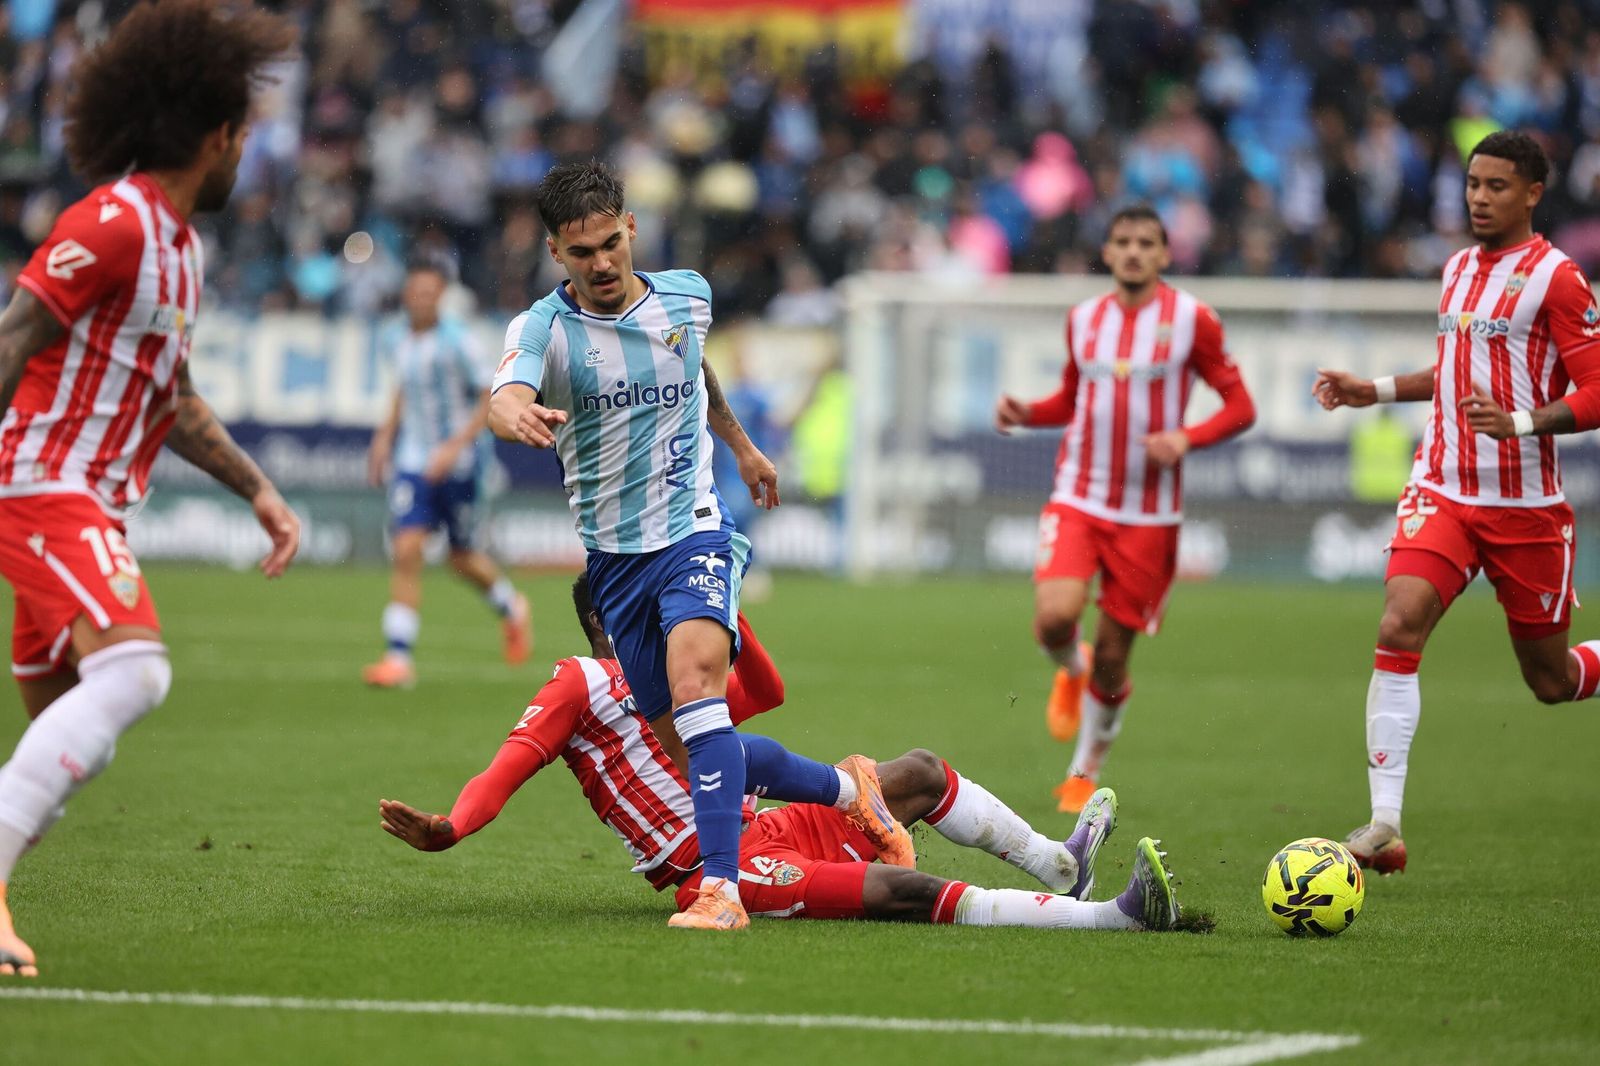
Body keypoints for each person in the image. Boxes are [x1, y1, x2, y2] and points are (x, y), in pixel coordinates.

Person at [488, 161, 913, 930]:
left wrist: (742, 449)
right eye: (582, 253)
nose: (603, 263)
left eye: (611, 243)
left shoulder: (688, 294)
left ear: (631, 229)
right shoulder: (543, 329)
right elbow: (507, 392)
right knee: (691, 752)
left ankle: (723, 891)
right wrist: (513, 414)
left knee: (697, 694)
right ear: (557, 252)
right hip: (616, 564)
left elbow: (694, 367)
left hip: (695, 531)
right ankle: (854, 792)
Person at [0, 0, 301, 977]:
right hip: (46, 486)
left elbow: (169, 397)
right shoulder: (114, 221)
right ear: (215, 136)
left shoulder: (181, 247)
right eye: (243, 138)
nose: (245, 156)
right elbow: (15, 334)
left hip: (90, 502)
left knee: (69, 726)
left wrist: (256, 489)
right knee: (136, 672)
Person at [379, 576, 1182, 932]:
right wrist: (452, 827)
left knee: (922, 772)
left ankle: (1057, 864)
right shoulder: (581, 684)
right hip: (716, 869)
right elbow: (504, 769)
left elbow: (763, 691)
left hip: (775, 825)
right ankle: (1107, 921)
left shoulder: (686, 666)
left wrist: (719, 606)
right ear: (611, 615)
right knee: (905, 887)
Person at [1313, 131, 1600, 875]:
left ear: (1532, 193)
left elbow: (1596, 388)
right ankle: (1382, 823)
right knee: (1399, 622)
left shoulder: (1559, 280)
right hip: (1441, 486)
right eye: (1473, 183)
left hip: (1524, 504)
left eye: (1496, 186)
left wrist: (1524, 421)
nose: (1478, 196)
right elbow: (1453, 371)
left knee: (1550, 680)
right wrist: (1367, 390)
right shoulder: (1457, 269)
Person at [995, 204, 1256, 813]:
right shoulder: (1084, 318)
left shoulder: (1193, 320)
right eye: (1122, 242)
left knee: (1115, 655)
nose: (1134, 252)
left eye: (1146, 243)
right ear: (1107, 253)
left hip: (1150, 515)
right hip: (1079, 494)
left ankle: (1083, 771)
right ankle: (1068, 666)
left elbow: (1240, 406)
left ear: (1165, 254)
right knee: (1055, 618)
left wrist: (1185, 439)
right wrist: (1029, 413)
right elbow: (1071, 396)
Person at [362, 258, 532, 688]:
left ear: (441, 296)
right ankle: (398, 659)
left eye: (429, 292)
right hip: (413, 460)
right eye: (415, 291)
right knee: (406, 550)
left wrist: (453, 447)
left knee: (460, 558)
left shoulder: (460, 341)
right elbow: (404, 387)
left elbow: (487, 399)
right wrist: (385, 436)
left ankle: (512, 606)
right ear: (406, 294)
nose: (421, 299)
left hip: (458, 464)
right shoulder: (394, 337)